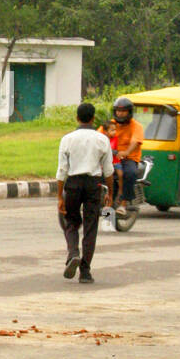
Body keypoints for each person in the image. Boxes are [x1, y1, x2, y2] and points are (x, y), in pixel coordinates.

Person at [56, 101, 114, 284]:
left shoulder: (67, 139)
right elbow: (108, 171)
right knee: (90, 226)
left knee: (71, 221)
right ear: (93, 118)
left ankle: (73, 253)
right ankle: (85, 271)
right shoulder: (102, 139)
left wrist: (59, 196)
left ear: (77, 118)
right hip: (93, 185)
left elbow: (62, 171)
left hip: (73, 183)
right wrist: (110, 193)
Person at [111, 96, 144, 215]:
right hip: (111, 157)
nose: (120, 114)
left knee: (130, 173)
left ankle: (123, 204)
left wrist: (126, 152)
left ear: (129, 112)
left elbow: (135, 141)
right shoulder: (111, 124)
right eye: (118, 111)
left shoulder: (136, 126)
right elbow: (99, 135)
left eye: (123, 111)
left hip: (128, 159)